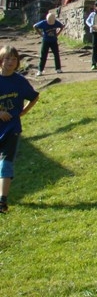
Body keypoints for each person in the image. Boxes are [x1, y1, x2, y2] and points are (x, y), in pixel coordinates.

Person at [0, 46, 39, 214]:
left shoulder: (19, 81)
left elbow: (34, 96)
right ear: (1, 61)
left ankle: (2, 200)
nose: (10, 62)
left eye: (14, 59)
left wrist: (23, 111)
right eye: (7, 59)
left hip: (12, 128)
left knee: (6, 162)